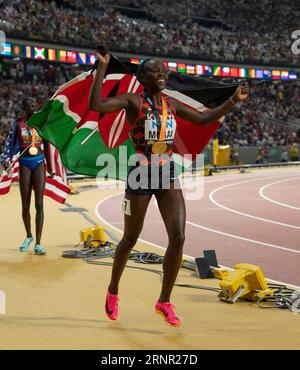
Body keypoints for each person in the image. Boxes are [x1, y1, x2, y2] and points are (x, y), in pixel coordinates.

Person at [89, 53, 249, 326]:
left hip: (166, 173)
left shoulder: (171, 104)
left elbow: (204, 119)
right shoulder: (132, 101)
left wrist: (233, 101)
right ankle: (113, 289)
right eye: (155, 72)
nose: (162, 75)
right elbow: (97, 104)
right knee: (130, 239)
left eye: (164, 71)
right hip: (140, 174)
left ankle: (164, 301)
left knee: (178, 237)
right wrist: (101, 69)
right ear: (142, 78)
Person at [1, 97, 49, 255]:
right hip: (24, 163)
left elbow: (47, 143)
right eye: (30, 105)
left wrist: (51, 166)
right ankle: (29, 235)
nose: (34, 107)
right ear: (24, 107)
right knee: (25, 204)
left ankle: (38, 243)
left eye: (35, 104)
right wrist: (6, 159)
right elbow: (9, 142)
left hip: (39, 162)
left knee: (39, 204)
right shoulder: (18, 123)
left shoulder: (40, 121)